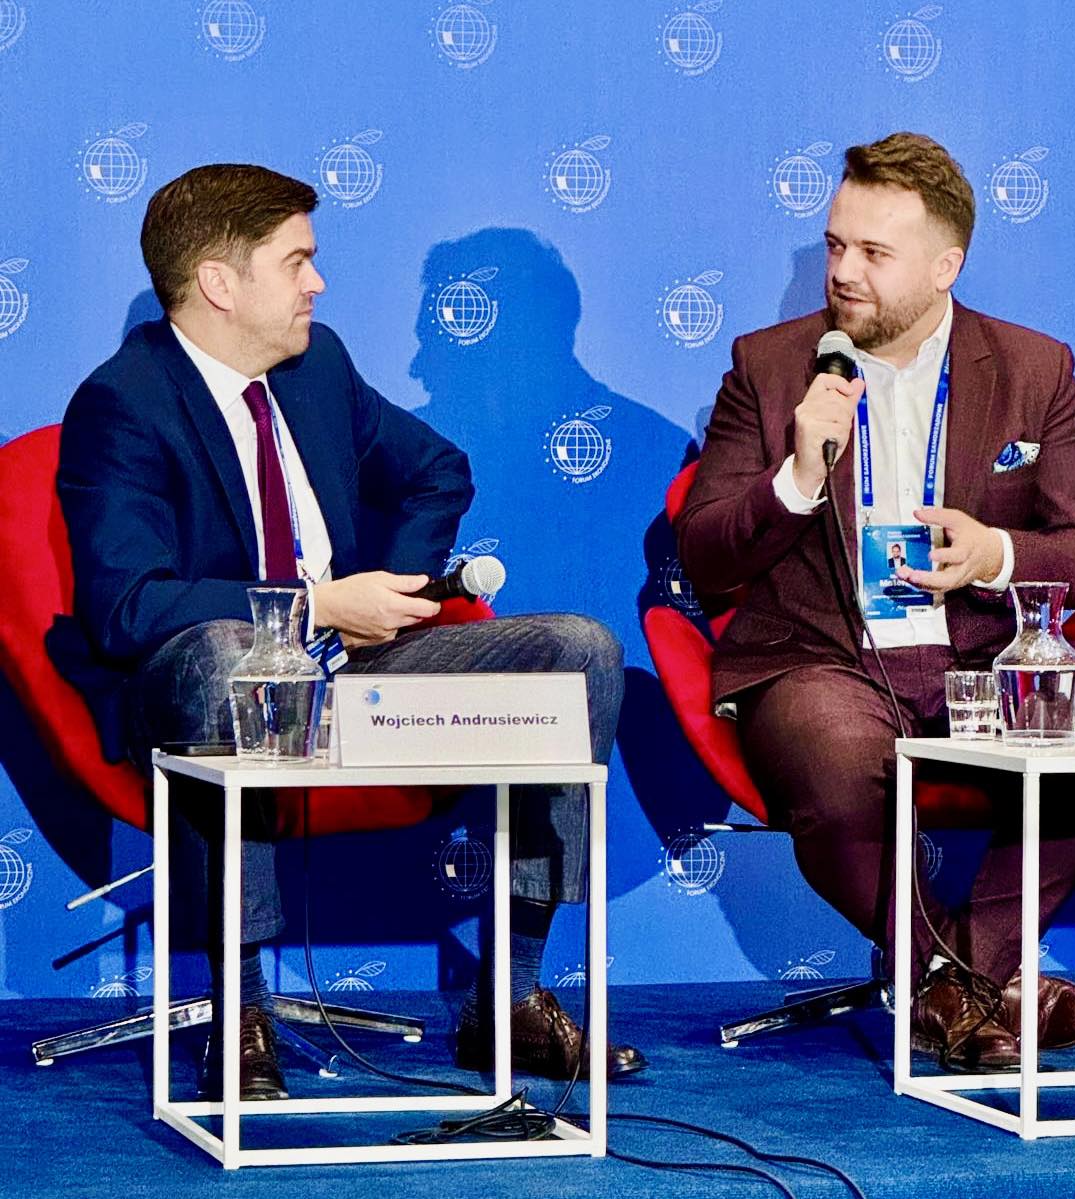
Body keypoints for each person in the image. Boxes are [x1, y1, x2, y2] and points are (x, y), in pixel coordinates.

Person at [51, 164, 646, 1098]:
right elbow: (128, 605)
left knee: (577, 652)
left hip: (358, 664)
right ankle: (241, 1011)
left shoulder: (316, 365)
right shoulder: (124, 403)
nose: (317, 283)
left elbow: (437, 470)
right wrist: (318, 604)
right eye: (297, 262)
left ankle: (512, 996)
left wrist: (393, 597)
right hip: (209, 680)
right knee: (229, 654)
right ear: (219, 283)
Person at [677, 133, 1075, 1071]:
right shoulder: (769, 366)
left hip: (981, 653)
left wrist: (992, 553)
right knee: (835, 755)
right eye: (835, 245)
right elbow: (704, 553)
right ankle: (960, 979)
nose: (843, 272)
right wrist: (796, 478)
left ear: (945, 266)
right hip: (823, 657)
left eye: (873, 253)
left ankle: (961, 970)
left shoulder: (1035, 368)